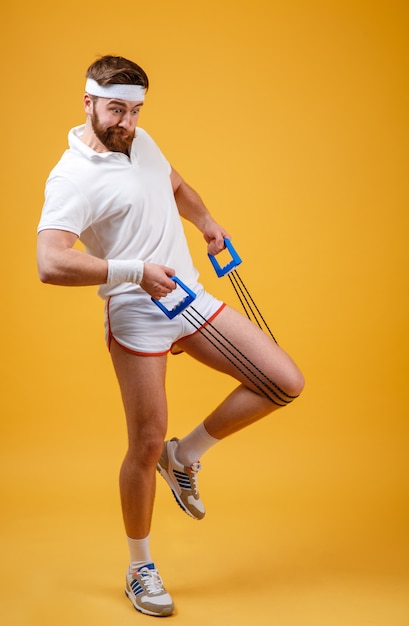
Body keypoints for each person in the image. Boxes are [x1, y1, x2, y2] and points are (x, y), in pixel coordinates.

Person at [37, 54, 304, 618]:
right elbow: (50, 262)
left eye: (134, 110)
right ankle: (141, 569)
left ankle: (187, 456)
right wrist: (133, 271)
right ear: (87, 102)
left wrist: (206, 222)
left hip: (186, 295)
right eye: (115, 109)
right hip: (136, 306)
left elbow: (176, 184)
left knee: (284, 380)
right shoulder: (71, 176)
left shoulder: (142, 140)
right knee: (145, 442)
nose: (126, 122)